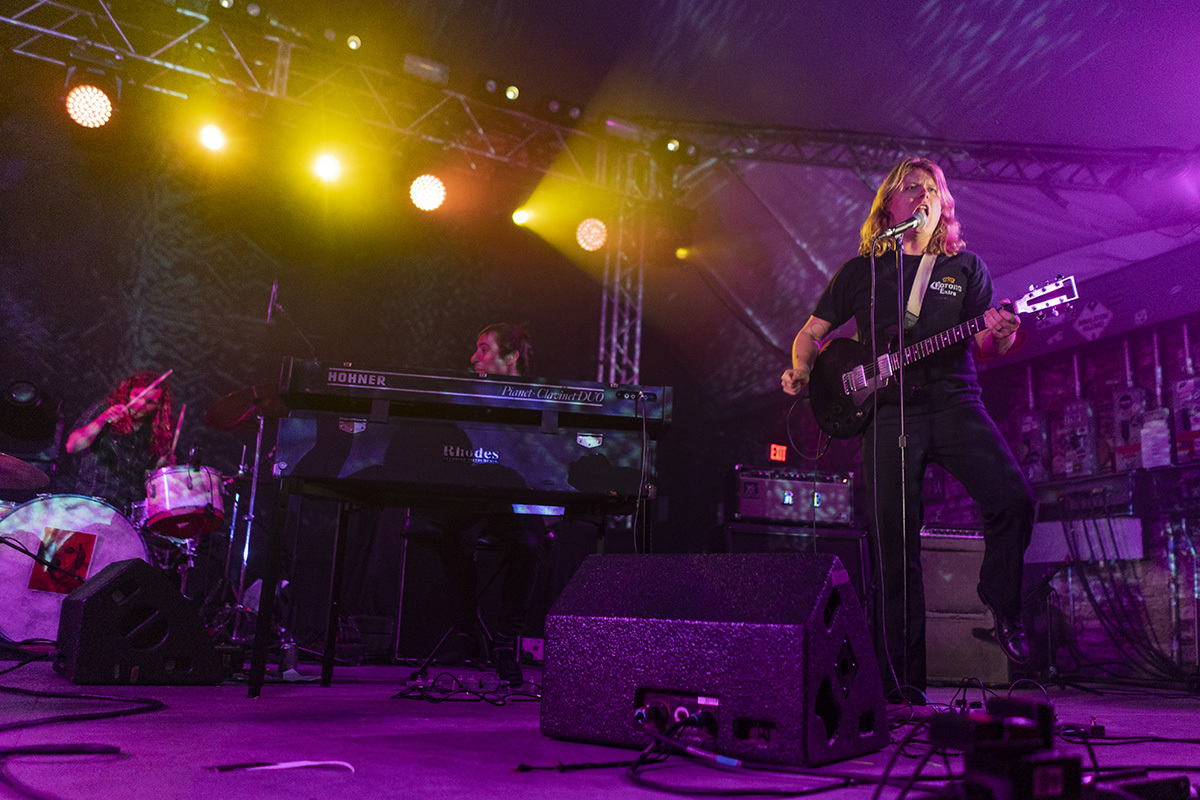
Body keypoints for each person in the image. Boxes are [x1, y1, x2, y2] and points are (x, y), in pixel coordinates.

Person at [781, 157, 1034, 702]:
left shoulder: (965, 268)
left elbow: (990, 344)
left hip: (954, 401)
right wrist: (802, 367)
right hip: (890, 412)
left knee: (1013, 497)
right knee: (895, 551)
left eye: (931, 189)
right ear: (889, 207)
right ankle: (902, 689)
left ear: (943, 205)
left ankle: (1001, 598)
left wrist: (1004, 332)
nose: (921, 196)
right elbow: (811, 332)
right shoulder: (861, 272)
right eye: (909, 189)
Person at [404, 323, 544, 686]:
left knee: (529, 543)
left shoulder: (538, 400)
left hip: (511, 501)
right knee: (433, 529)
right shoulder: (463, 396)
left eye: (483, 349)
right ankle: (468, 629)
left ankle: (505, 642)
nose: (473, 358)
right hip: (466, 496)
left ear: (510, 358)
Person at [66, 370, 177, 514]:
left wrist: (160, 468)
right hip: (91, 506)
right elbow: (72, 446)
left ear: (158, 406)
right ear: (127, 393)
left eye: (150, 402)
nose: (141, 404)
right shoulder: (103, 409)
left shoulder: (156, 433)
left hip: (126, 516)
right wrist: (103, 419)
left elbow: (147, 481)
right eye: (137, 395)